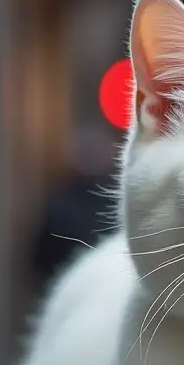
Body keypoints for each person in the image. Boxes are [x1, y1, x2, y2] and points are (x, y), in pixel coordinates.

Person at [30, 125, 119, 299]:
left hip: (73, 289)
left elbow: (38, 261)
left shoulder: (60, 202)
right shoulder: (61, 204)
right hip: (86, 290)